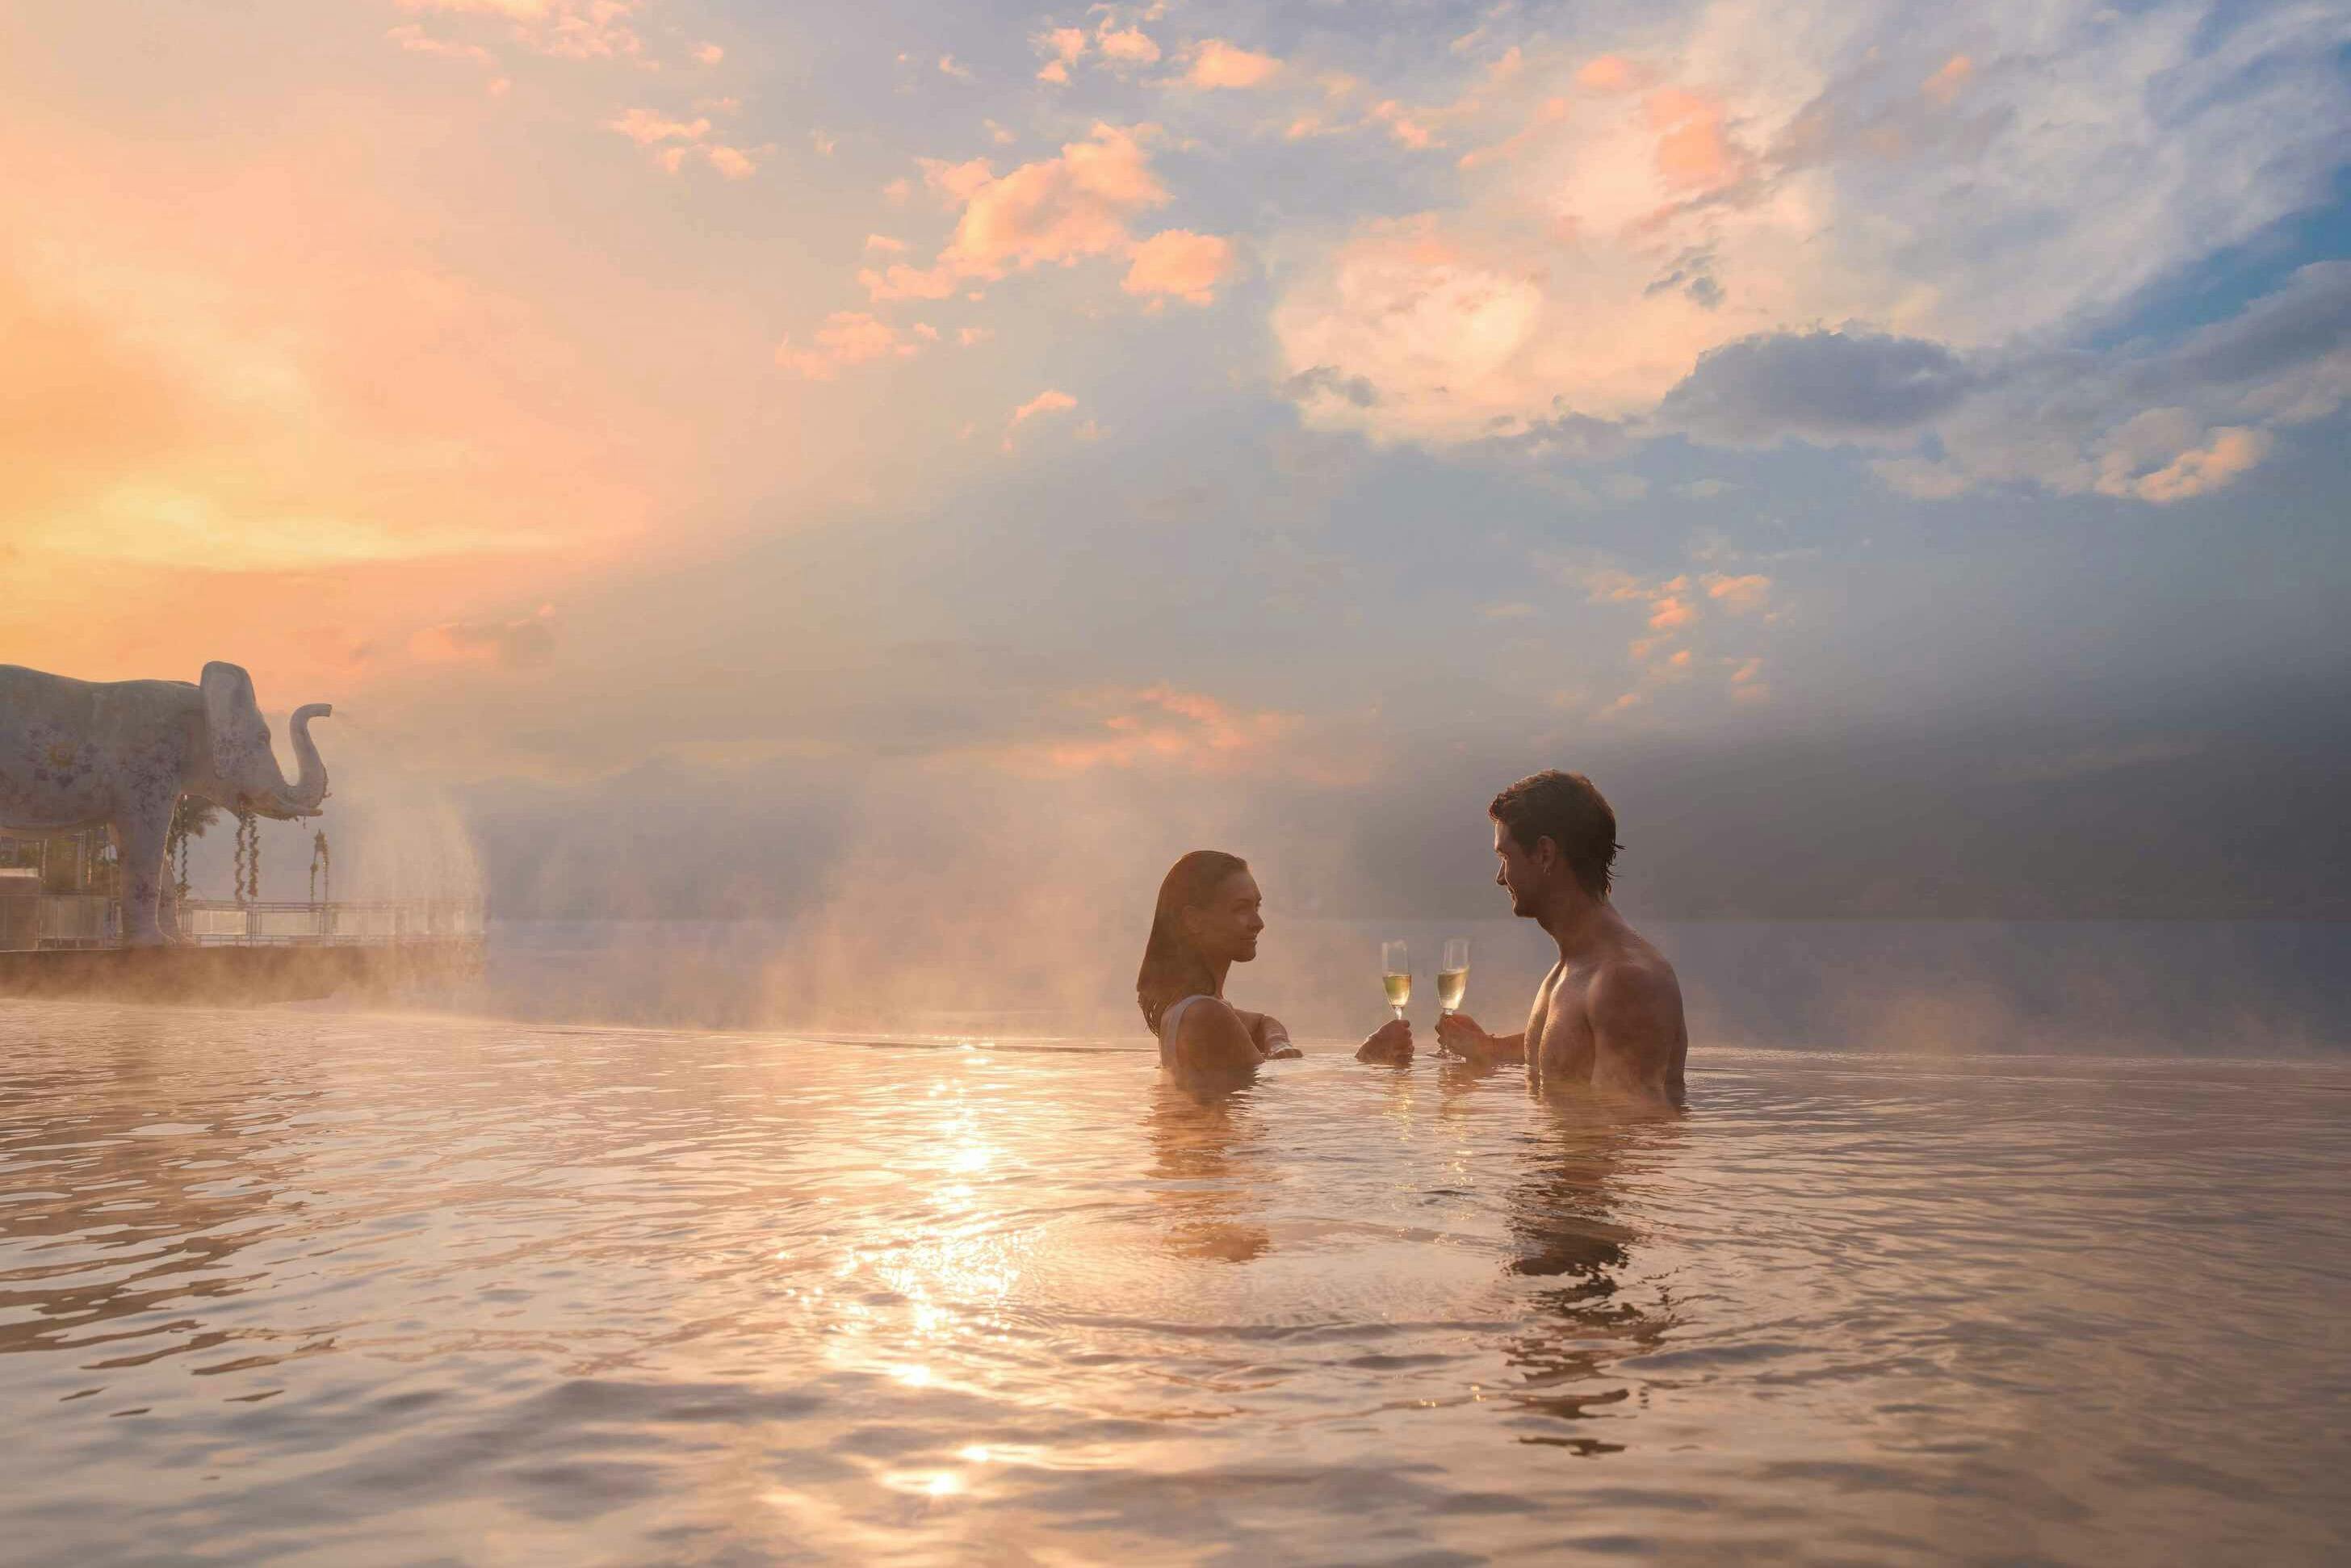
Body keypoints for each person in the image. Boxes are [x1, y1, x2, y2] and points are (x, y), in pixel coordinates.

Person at [1434, 771, 1687, 1103]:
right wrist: (1491, 1050)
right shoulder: (1576, 970)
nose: (1500, 878)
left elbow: (1635, 1136)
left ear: (1544, 854)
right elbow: (1572, 1053)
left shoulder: (1625, 981)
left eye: (1505, 857)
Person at [1138, 850, 1414, 1085]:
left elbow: (1263, 1022)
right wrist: (1369, 1056)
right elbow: (1285, 1096)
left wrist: (1278, 1043)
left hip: (1214, 1145)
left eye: (1257, 906)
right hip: (1215, 1148)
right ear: (1194, 920)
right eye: (1241, 908)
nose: (1258, 922)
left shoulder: (1201, 1006)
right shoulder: (1204, 1014)